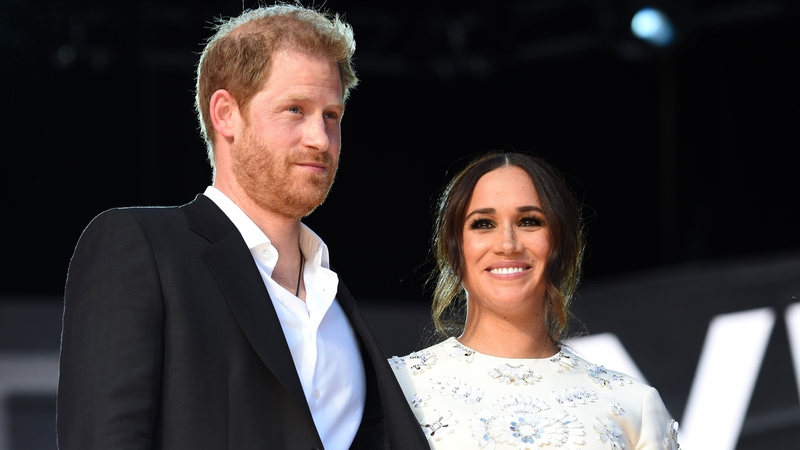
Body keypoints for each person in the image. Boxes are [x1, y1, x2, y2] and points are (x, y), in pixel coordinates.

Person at [57, 4, 427, 449]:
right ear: (225, 113)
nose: (320, 138)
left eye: (331, 115)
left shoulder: (336, 299)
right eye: (295, 109)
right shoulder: (141, 247)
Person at [389, 152, 680, 449]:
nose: (507, 244)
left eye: (529, 221)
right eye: (483, 224)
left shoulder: (633, 405)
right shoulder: (393, 387)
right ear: (453, 248)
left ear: (561, 245)